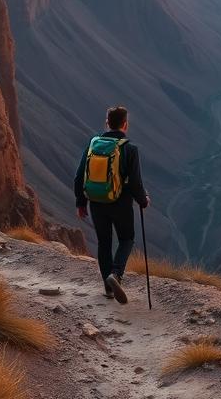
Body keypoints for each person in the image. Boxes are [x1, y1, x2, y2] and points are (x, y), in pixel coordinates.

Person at [74, 106, 150, 304]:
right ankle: (116, 275)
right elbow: (135, 183)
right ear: (125, 124)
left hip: (97, 202)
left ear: (107, 123)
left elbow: (79, 175)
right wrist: (143, 200)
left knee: (104, 243)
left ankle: (108, 289)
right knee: (126, 239)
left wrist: (81, 202)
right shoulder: (130, 149)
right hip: (121, 203)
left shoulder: (94, 144)